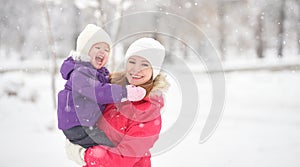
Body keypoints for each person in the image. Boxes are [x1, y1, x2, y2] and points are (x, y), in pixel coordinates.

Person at [65, 37, 169, 167]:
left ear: (155, 70)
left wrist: (83, 154)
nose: (136, 69)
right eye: (132, 61)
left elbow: (122, 159)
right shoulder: (110, 88)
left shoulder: (149, 111)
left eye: (145, 64)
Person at [57, 24, 146, 149]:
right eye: (97, 47)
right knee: (111, 147)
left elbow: (108, 84)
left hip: (86, 124)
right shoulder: (80, 72)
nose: (102, 52)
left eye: (107, 49)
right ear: (84, 50)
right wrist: (125, 92)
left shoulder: (98, 72)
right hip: (77, 127)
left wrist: (128, 81)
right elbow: (99, 91)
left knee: (111, 144)